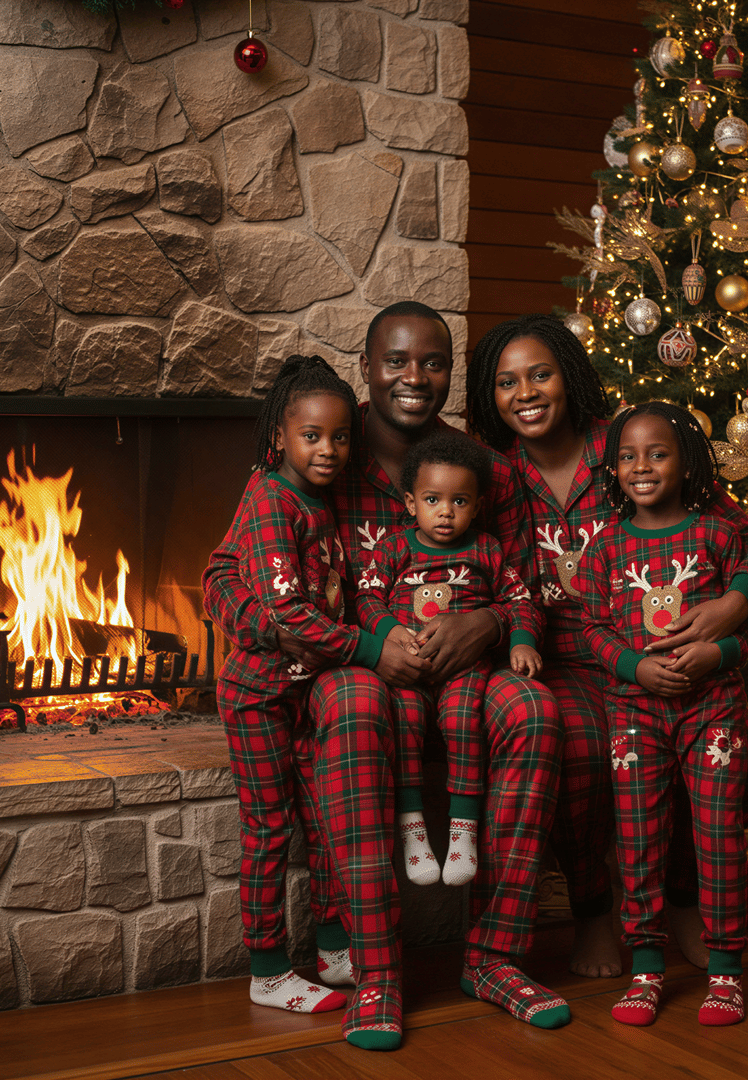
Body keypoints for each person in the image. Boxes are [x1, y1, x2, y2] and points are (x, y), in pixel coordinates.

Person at [204, 303, 569, 1050]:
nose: (414, 377)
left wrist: (489, 623)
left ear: (451, 373)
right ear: (368, 367)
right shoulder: (320, 447)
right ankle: (377, 973)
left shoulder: (484, 471)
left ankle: (495, 959)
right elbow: (222, 573)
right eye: (397, 361)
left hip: (469, 667)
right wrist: (287, 631)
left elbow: (525, 586)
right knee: (353, 702)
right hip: (355, 662)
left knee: (534, 710)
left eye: (433, 363)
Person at [466, 315, 748, 978]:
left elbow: (743, 534)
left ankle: (685, 900)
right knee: (581, 752)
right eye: (506, 382)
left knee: (740, 751)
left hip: (664, 648)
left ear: (570, 376)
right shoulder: (494, 475)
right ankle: (593, 911)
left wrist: (736, 601)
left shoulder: (632, 443)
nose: (526, 393)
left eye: (541, 374)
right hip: (559, 657)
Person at [577, 401, 748, 1027]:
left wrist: (719, 652)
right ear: (613, 469)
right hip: (634, 717)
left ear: (685, 463)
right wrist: (635, 667)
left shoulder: (717, 534)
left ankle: (726, 973)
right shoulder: (604, 547)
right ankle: (646, 970)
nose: (642, 467)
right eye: (628, 457)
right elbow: (592, 629)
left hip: (712, 713)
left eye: (657, 454)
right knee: (638, 840)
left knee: (717, 837)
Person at [204, 356, 380, 1015]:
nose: (328, 449)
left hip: (306, 690)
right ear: (280, 437)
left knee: (324, 820)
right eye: (312, 436)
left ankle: (333, 949)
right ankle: (269, 970)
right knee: (270, 827)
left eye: (340, 437)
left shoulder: (316, 497)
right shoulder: (271, 499)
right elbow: (288, 613)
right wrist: (368, 649)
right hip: (258, 696)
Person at [355, 430, 543, 888]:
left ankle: (464, 831)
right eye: (432, 499)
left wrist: (521, 642)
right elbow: (366, 597)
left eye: (459, 501)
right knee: (405, 723)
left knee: (463, 721)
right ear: (410, 502)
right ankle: (412, 828)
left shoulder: (486, 549)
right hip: (408, 666)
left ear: (477, 506)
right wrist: (391, 631)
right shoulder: (395, 548)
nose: (445, 511)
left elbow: (520, 600)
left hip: (464, 669)